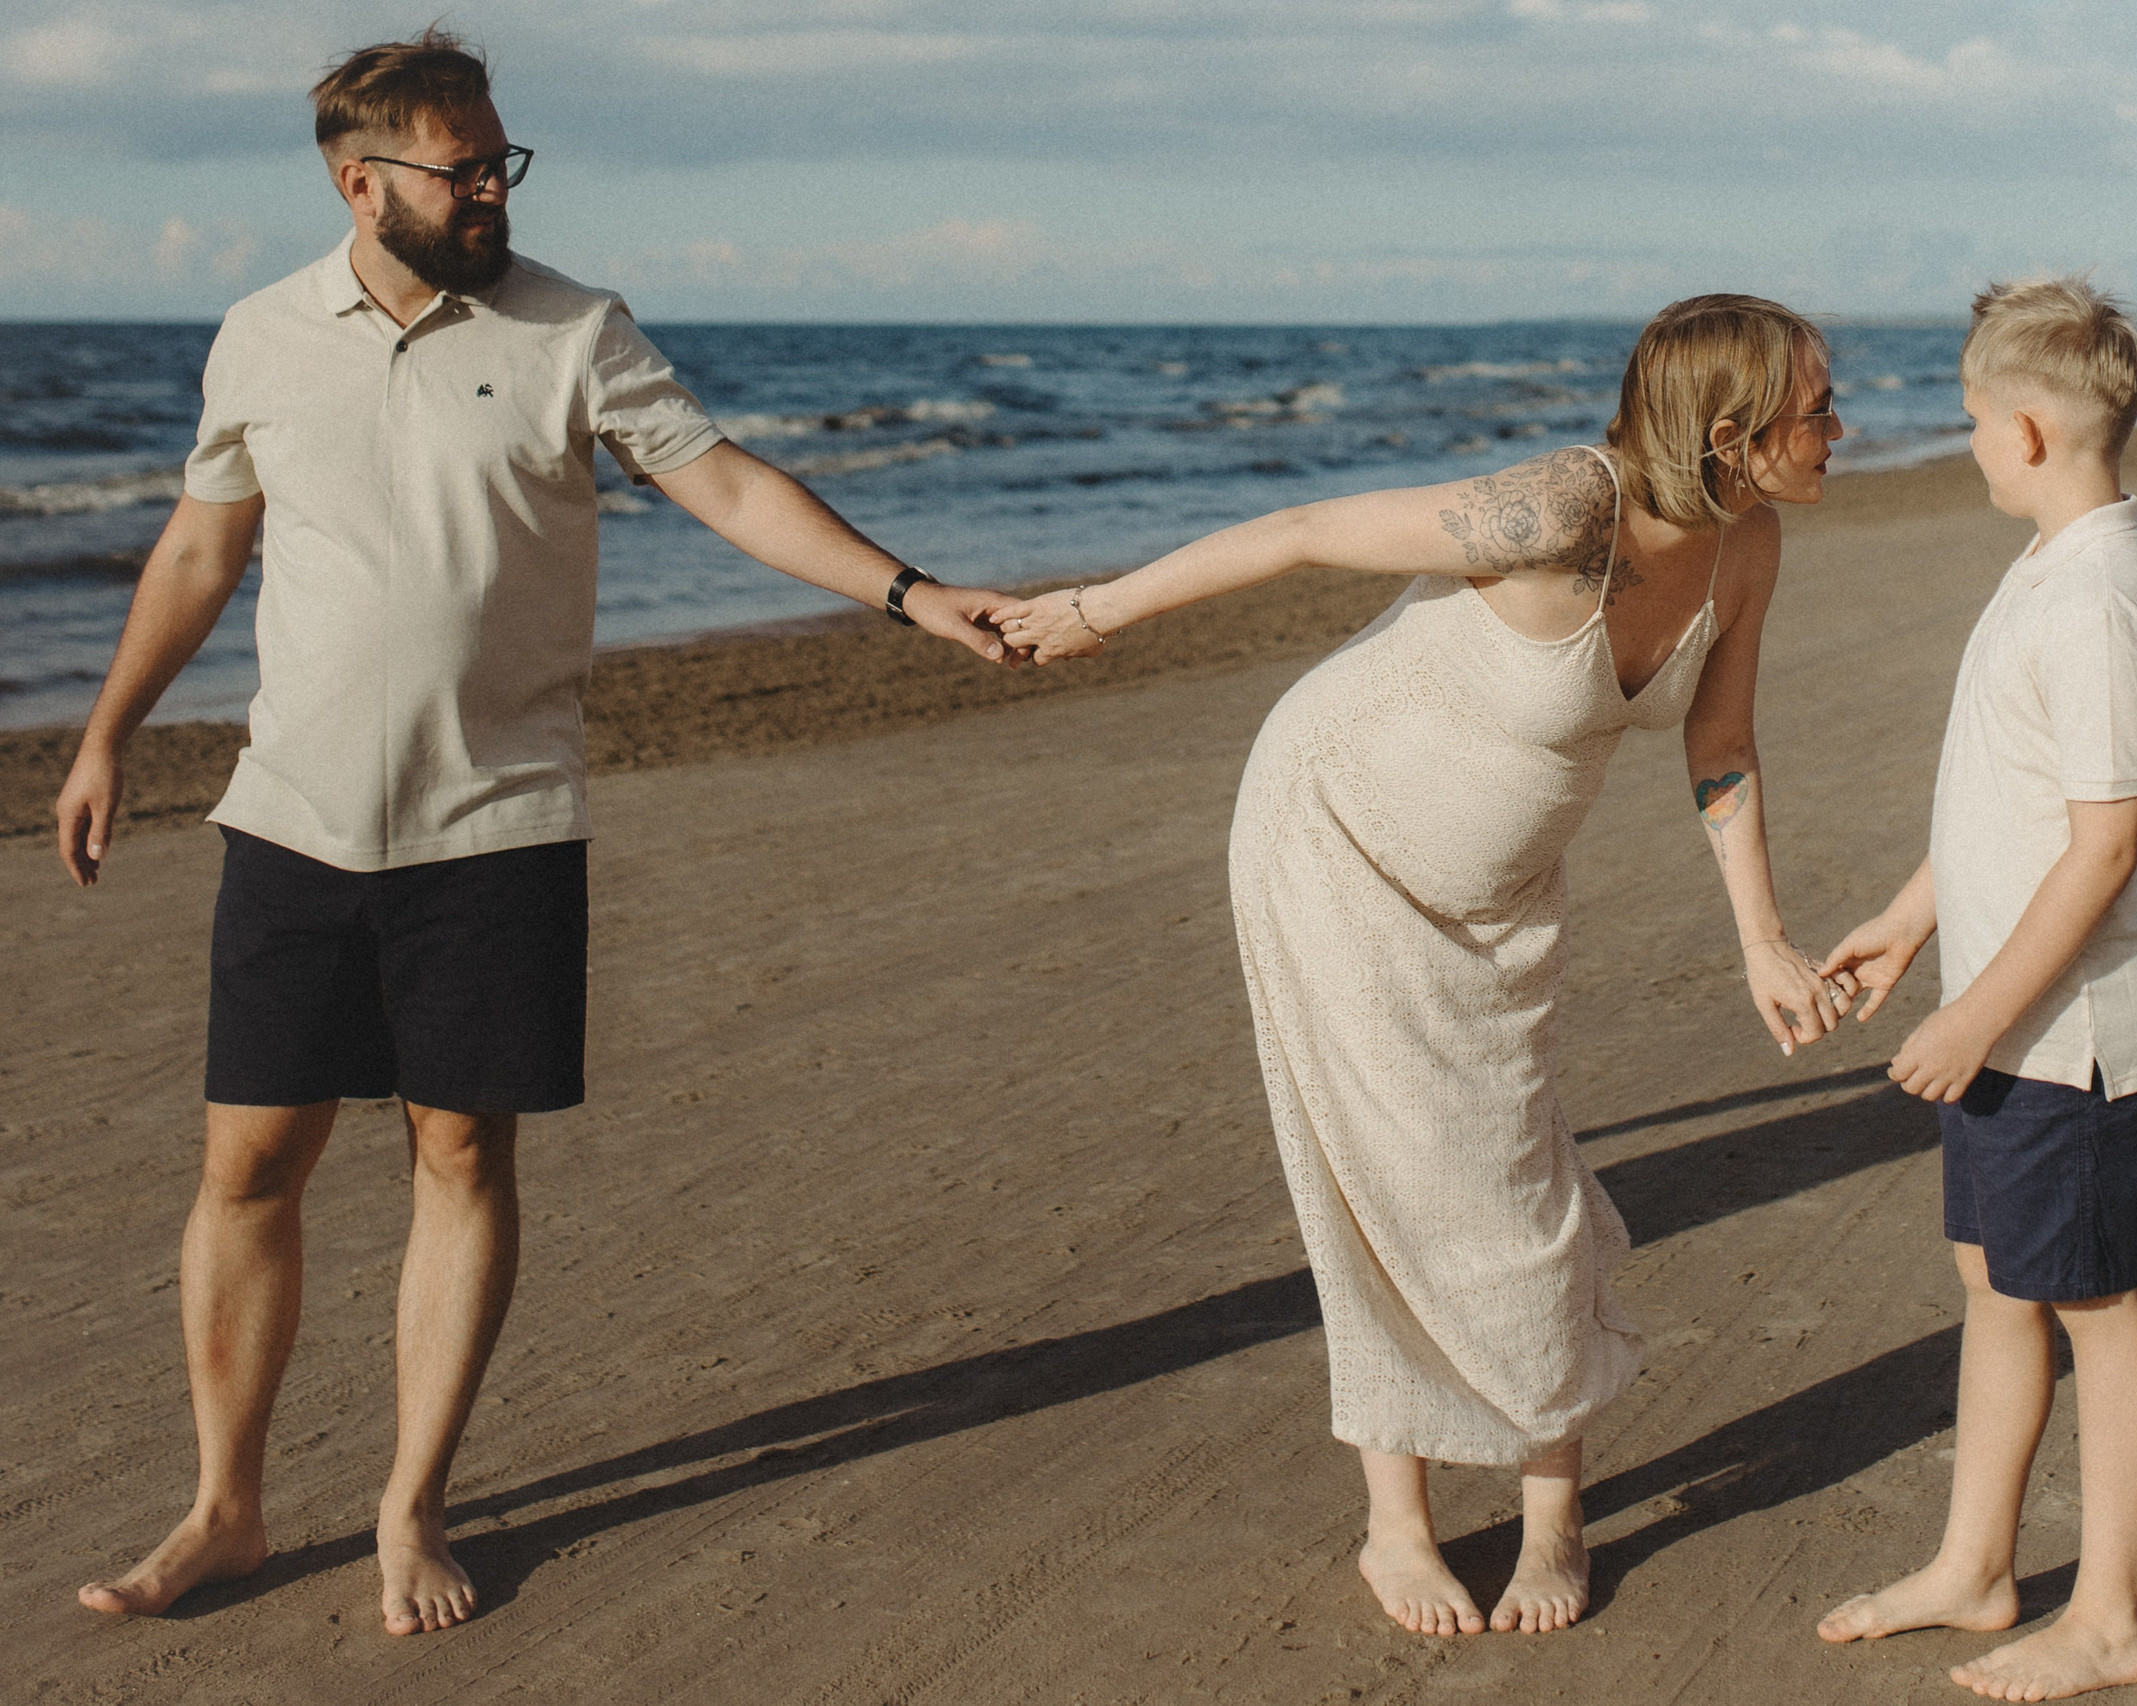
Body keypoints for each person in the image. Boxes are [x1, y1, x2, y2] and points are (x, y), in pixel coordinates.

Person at [54, 30, 1015, 1637]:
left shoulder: (574, 328)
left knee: (459, 1148)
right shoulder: (259, 338)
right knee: (249, 1163)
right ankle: (224, 1506)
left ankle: (410, 1502)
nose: (493, 186)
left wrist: (912, 594)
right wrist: (102, 736)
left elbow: (726, 489)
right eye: (462, 166)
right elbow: (203, 549)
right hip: (289, 821)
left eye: (503, 160)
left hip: (497, 826)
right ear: (361, 183)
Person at [996, 296, 1855, 1636]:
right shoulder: (1557, 512)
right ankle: (1396, 1524)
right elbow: (1300, 533)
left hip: (1497, 893)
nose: (1840, 426)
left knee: (1512, 1165)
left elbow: (1721, 739)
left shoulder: (1750, 548)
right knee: (1374, 1168)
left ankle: (1551, 1513)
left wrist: (1761, 936)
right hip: (1332, 835)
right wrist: (1095, 610)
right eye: (1821, 408)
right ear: (1734, 433)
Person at [1813, 277, 2137, 1700]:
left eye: (1971, 421)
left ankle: (2116, 1612)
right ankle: (1977, 1564)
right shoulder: (2051, 563)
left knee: (2101, 1304)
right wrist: (1911, 925)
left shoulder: (2097, 598)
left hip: (2072, 1031)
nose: (1963, 442)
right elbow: (2007, 809)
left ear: (2027, 431)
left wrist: (1975, 1016)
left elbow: (2101, 852)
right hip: (2010, 1014)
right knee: (1998, 1281)